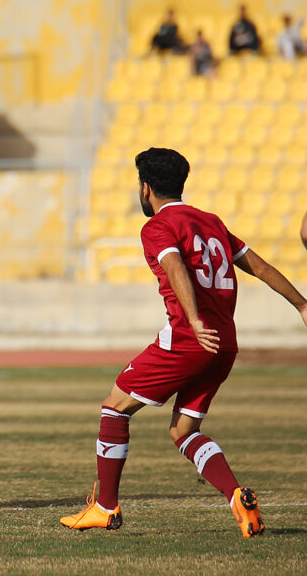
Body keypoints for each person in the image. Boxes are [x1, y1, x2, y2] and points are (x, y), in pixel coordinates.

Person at [60, 148, 307, 538]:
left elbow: (174, 266)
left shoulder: (156, 227)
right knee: (183, 430)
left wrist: (192, 319)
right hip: (224, 346)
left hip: (189, 339)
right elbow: (258, 267)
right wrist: (302, 304)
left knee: (115, 409)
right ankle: (236, 496)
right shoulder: (211, 222)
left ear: (145, 189)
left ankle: (105, 507)